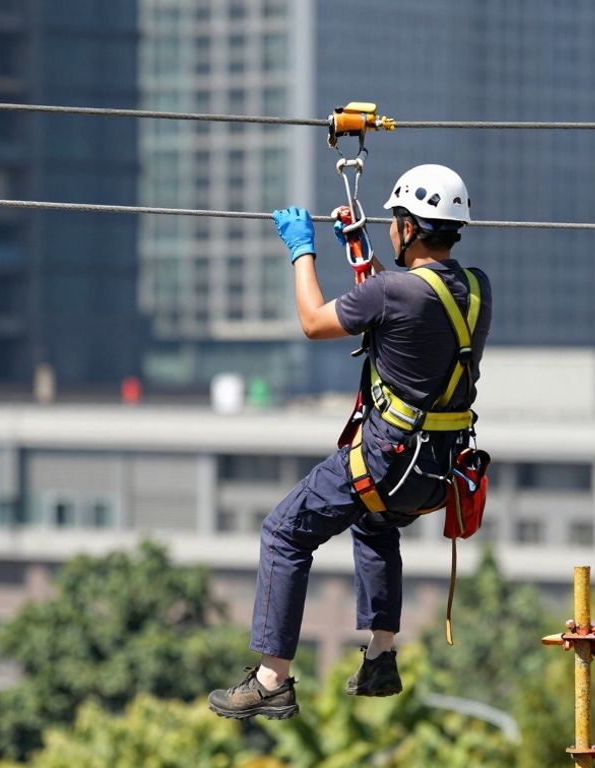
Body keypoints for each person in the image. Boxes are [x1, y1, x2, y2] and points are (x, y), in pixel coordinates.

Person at [208, 164, 492, 721]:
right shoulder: (476, 288)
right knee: (375, 522)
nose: (390, 228)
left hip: (385, 459)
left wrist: (301, 252)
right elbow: (410, 307)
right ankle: (381, 655)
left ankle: (272, 678)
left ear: (408, 227)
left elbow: (317, 322)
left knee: (284, 532)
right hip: (436, 470)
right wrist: (361, 249)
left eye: (394, 222)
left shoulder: (392, 290)